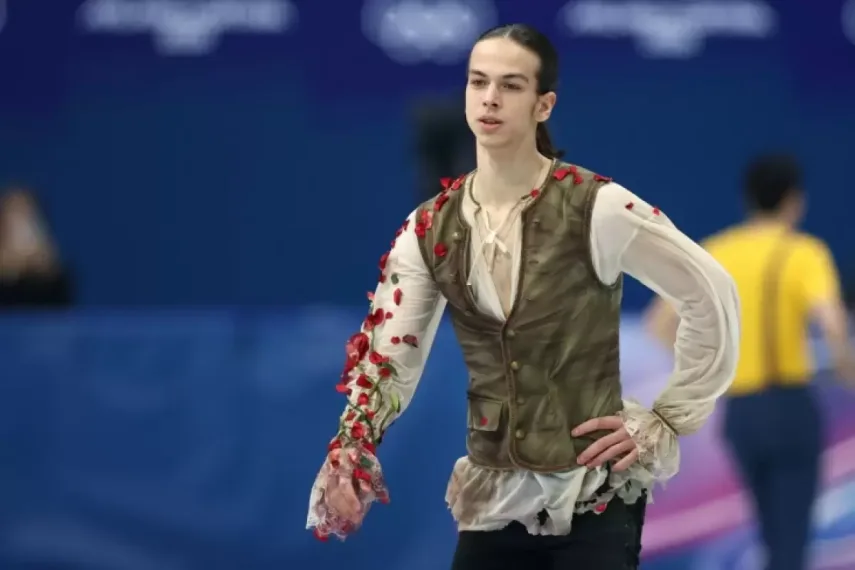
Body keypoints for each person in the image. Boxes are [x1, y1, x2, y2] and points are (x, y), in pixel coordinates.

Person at [307, 24, 740, 569]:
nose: (490, 98)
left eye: (510, 85)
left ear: (543, 105)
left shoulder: (598, 208)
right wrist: (353, 443)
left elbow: (712, 293)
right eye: (478, 82)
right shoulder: (429, 228)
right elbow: (390, 354)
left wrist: (668, 417)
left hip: (595, 497)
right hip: (493, 501)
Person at [645, 154, 855, 570]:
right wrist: (847, 372)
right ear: (794, 200)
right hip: (790, 406)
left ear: (748, 199)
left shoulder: (718, 251)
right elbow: (831, 322)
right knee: (790, 538)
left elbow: (659, 324)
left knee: (770, 530)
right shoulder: (803, 252)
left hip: (741, 414)